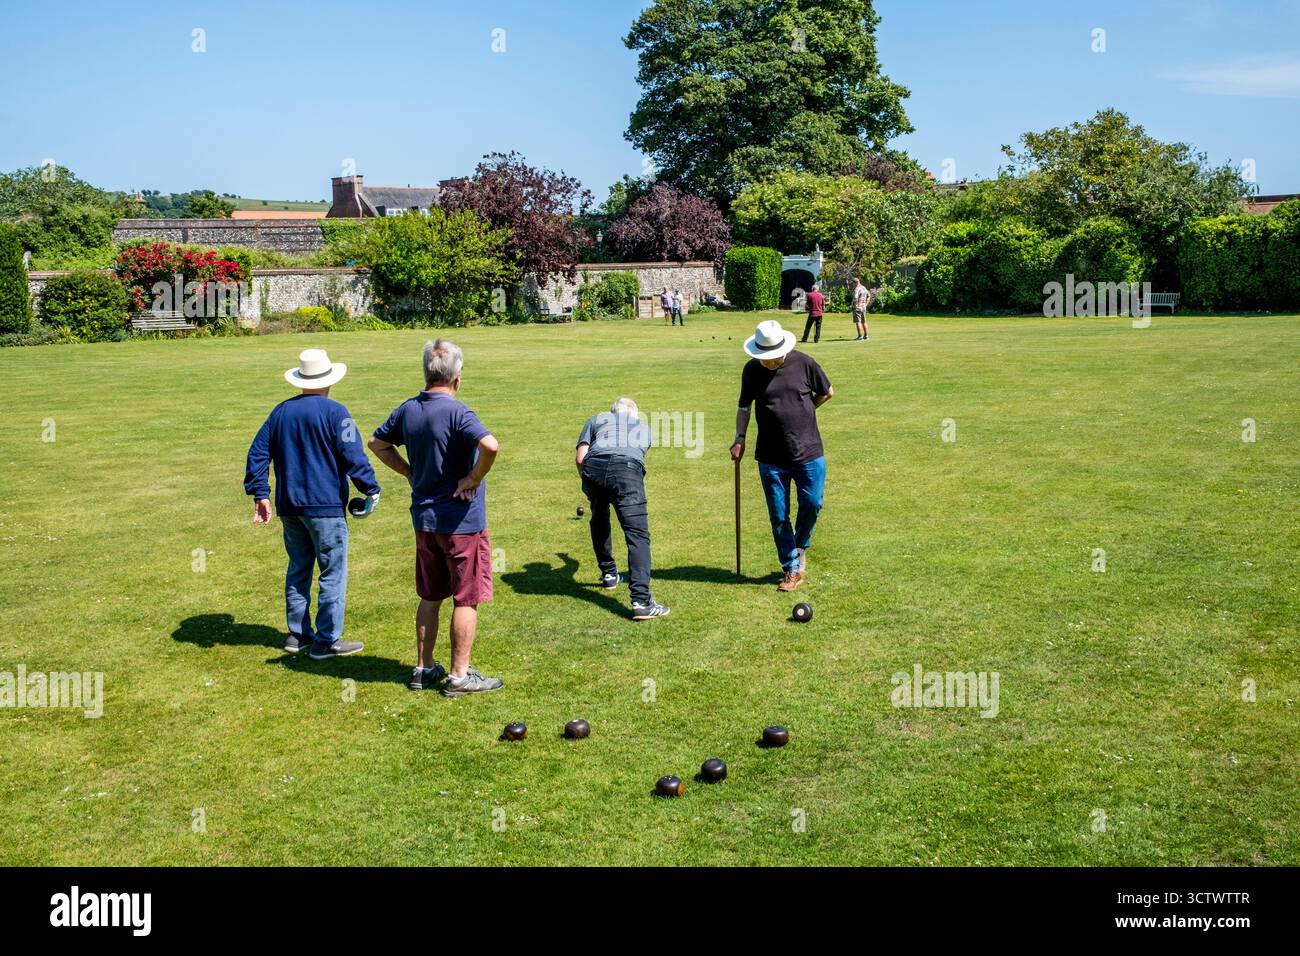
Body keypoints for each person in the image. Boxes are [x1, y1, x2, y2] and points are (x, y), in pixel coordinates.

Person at [368, 339, 504, 696]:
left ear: (426, 372)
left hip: (424, 521)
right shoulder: (459, 412)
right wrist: (473, 478)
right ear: (457, 378)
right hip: (461, 523)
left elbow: (377, 443)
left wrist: (409, 472)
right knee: (466, 598)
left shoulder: (408, 410)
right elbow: (491, 446)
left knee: (430, 595)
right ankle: (459, 676)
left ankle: (424, 668)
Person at [244, 348, 379, 659]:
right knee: (332, 571)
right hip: (326, 507)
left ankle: (298, 635)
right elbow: (352, 454)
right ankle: (326, 640)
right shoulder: (336, 412)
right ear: (329, 379)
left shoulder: (280, 412)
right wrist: (370, 488)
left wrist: (260, 493)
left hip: (290, 506)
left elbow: (258, 453)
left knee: (299, 568)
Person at [730, 320, 834, 592]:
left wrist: (807, 408)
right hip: (770, 456)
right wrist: (740, 438)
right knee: (779, 514)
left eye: (770, 358)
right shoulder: (751, 370)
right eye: (761, 357)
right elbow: (744, 408)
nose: (765, 362)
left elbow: (827, 392)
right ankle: (791, 567)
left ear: (781, 351)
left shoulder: (804, 363)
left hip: (809, 451)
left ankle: (800, 547)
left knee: (812, 504)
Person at [575, 397, 670, 620]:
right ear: (634, 415)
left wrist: (589, 484)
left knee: (599, 515)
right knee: (637, 535)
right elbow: (634, 457)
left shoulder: (596, 419)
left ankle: (609, 574)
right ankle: (641, 601)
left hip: (594, 468)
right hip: (626, 471)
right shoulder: (644, 429)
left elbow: (581, 458)